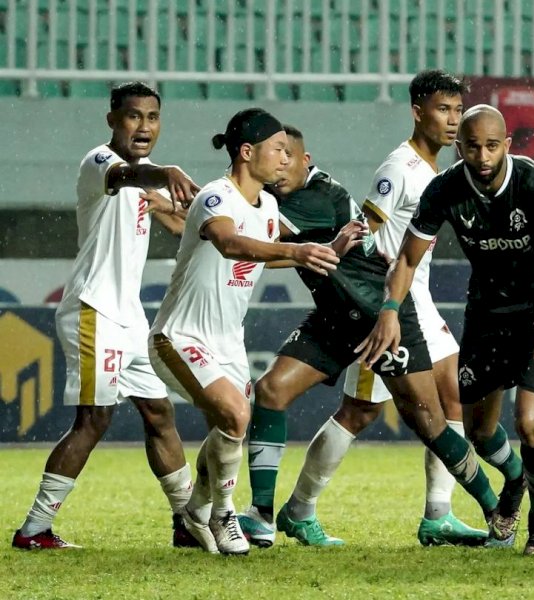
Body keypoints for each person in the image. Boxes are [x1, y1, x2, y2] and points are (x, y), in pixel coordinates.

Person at [242, 71, 485, 547]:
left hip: (413, 296)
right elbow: (366, 228)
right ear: (418, 111)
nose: (453, 121)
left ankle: (433, 512)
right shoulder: (400, 169)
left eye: (458, 111)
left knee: (417, 402)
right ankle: (299, 509)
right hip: (388, 302)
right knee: (364, 410)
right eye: (444, 110)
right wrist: (380, 291)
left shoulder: (435, 170)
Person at [358, 104, 534, 556]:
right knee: (481, 434)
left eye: (492, 146)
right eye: (472, 146)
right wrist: (390, 307)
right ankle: (513, 482)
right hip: (488, 314)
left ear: (507, 145)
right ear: (459, 148)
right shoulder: (445, 189)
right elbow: (407, 257)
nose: (483, 156)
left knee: (529, 423)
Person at [147, 108, 348, 555]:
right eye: (279, 149)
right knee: (237, 415)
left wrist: (317, 252)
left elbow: (262, 254)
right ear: (246, 152)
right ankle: (223, 514)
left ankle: (195, 514)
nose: (286, 157)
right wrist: (296, 249)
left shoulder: (271, 207)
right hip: (180, 336)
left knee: (230, 424)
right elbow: (229, 243)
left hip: (228, 343)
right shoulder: (216, 196)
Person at [12, 82, 200, 551]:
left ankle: (187, 522)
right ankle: (33, 530)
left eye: (152, 117)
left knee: (159, 413)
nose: (144, 126)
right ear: (112, 119)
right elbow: (127, 178)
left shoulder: (143, 180)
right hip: (93, 310)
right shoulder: (101, 163)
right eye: (133, 116)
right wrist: (168, 172)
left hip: (129, 317)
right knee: (93, 420)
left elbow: (180, 222)